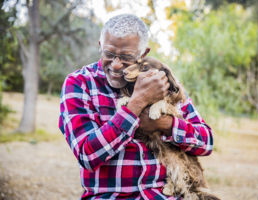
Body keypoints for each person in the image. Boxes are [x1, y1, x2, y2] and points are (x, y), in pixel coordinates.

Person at [59, 14, 213, 200]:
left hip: (165, 195)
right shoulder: (79, 83)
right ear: (100, 45)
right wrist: (138, 102)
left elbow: (206, 142)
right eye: (109, 54)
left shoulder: (163, 82)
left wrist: (164, 124)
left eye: (126, 57)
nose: (116, 65)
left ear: (143, 54)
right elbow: (87, 155)